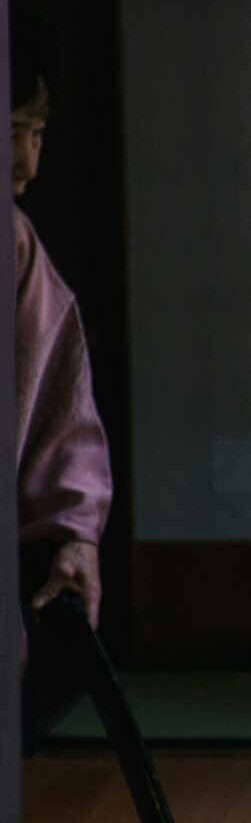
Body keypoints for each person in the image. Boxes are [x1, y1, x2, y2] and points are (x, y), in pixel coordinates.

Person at [13, 39, 110, 631]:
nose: (27, 161)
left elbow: (60, 401)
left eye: (37, 133)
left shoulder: (14, 245)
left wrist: (77, 532)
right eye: (11, 132)